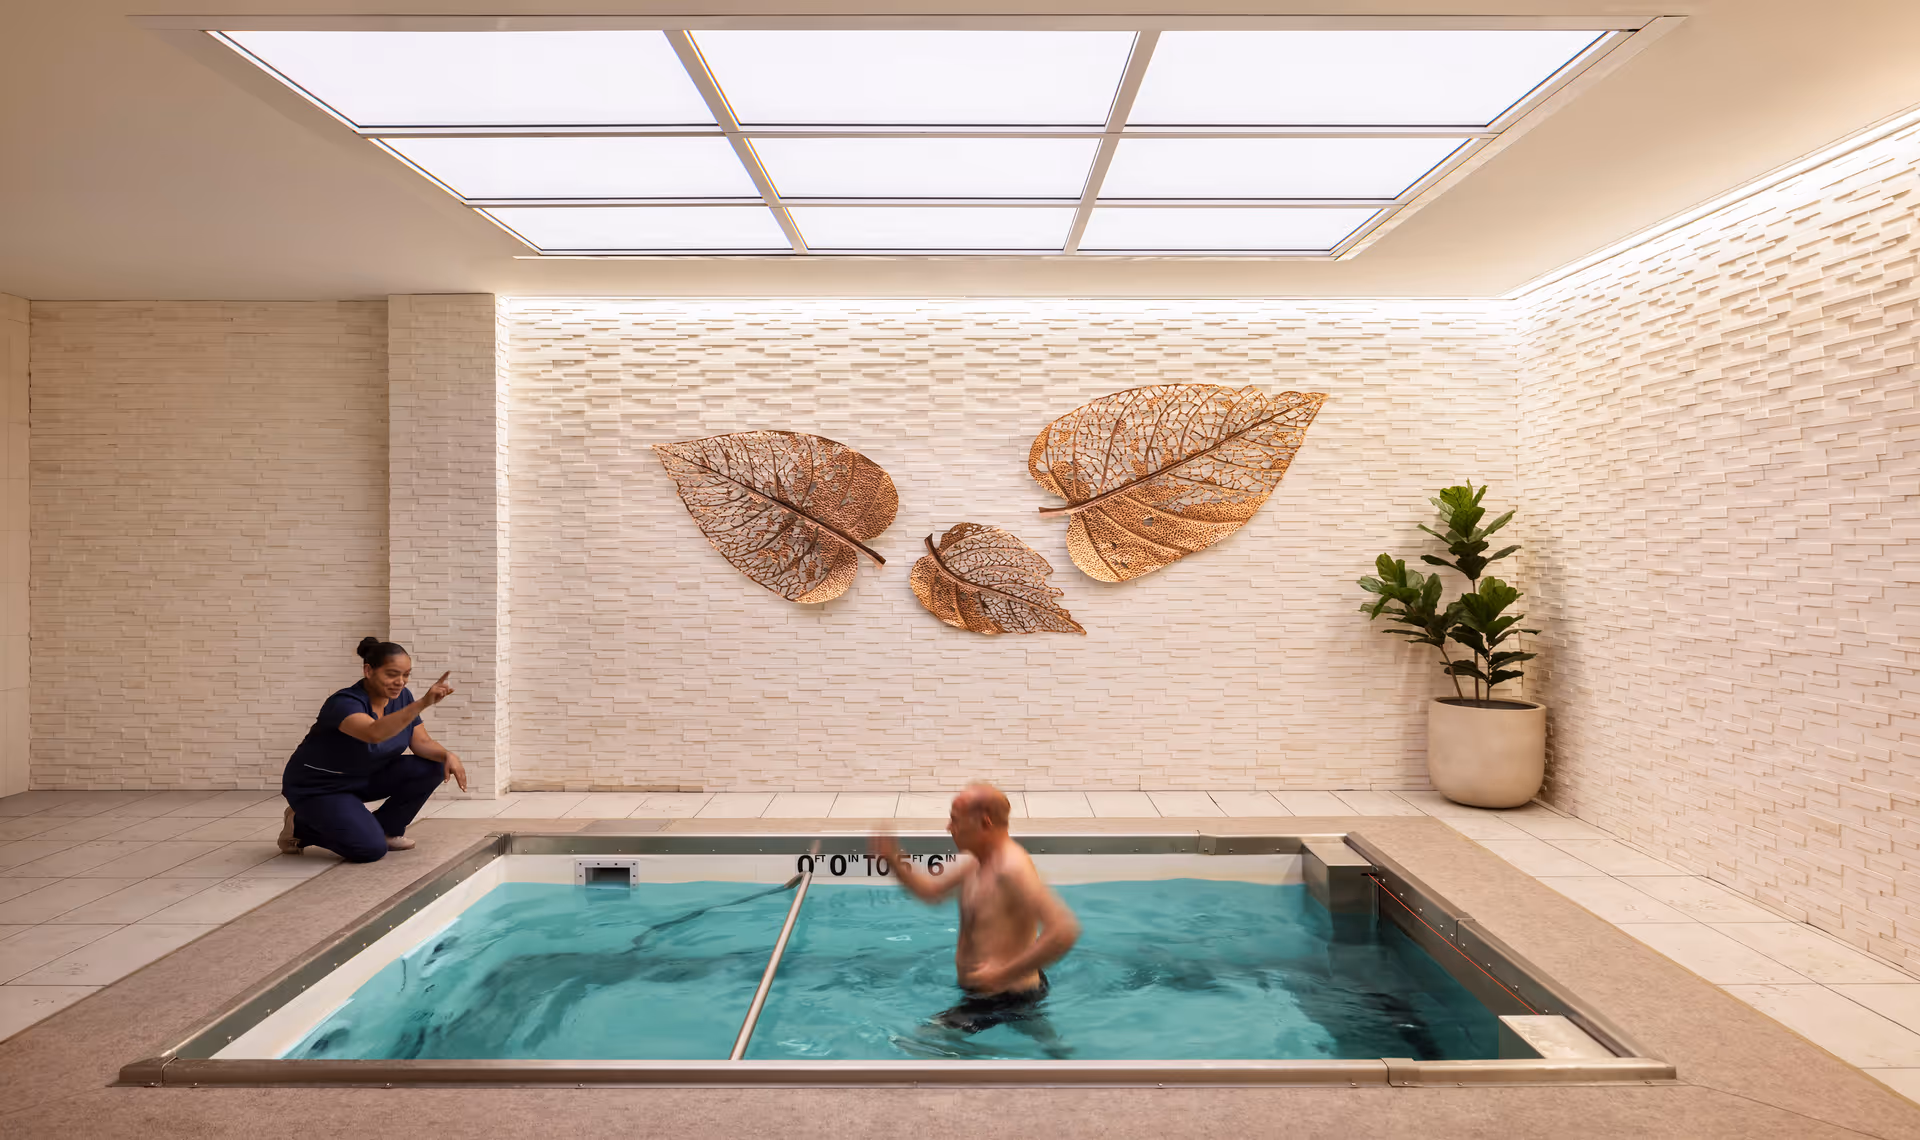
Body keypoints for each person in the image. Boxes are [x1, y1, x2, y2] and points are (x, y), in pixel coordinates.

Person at [871, 783, 1081, 1041]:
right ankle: (1056, 1055)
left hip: (1005, 997)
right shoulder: (978, 863)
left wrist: (1000, 975)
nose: (948, 827)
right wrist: (893, 860)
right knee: (1046, 1043)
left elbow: (1063, 930)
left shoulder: (1012, 867)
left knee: (916, 1044)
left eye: (955, 819)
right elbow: (931, 893)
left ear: (985, 822)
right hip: (991, 993)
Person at [277, 637, 467, 863]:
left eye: (406, 675)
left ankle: (386, 830)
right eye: (392, 674)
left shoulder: (402, 698)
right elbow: (373, 733)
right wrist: (423, 703)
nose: (400, 682)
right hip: (321, 786)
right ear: (369, 671)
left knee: (433, 766)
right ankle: (301, 825)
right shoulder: (344, 703)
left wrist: (448, 755)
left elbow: (421, 743)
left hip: (365, 776)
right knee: (369, 850)